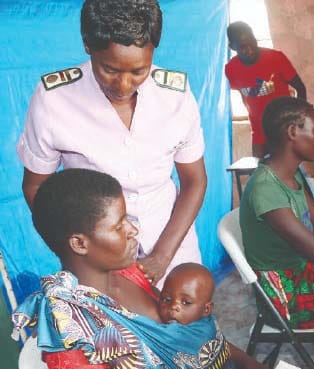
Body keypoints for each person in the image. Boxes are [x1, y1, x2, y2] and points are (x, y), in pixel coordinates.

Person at [17, 0, 207, 287]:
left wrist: (162, 256)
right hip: (98, 258)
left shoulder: (176, 95)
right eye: (109, 69)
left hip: (172, 246)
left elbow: (194, 181)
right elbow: (36, 187)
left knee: (182, 326)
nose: (123, 85)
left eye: (138, 72)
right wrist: (83, 253)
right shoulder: (53, 99)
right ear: (87, 45)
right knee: (110, 332)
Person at [11, 169, 264, 369]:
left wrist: (249, 363)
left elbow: (192, 334)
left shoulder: (130, 274)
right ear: (79, 243)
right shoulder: (73, 335)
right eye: (119, 226)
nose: (133, 230)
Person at [240, 97, 314, 329]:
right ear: (293, 132)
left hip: (302, 270)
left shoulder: (292, 175)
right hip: (284, 294)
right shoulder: (266, 188)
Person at [224, 21, 307, 158]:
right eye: (243, 47)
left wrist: (299, 121)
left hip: (283, 129)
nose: (250, 50)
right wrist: (254, 115)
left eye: (252, 42)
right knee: (260, 174)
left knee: (287, 173)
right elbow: (243, 94)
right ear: (233, 47)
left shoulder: (276, 58)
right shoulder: (231, 69)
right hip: (259, 133)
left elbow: (300, 88)